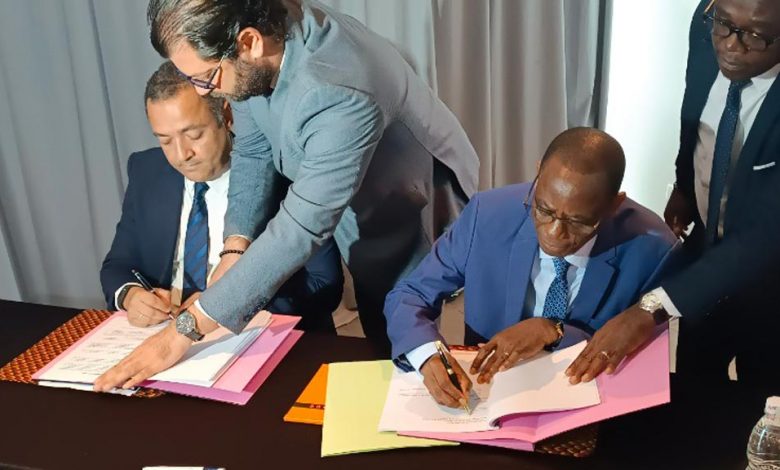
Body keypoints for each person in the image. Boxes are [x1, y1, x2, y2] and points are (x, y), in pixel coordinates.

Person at [95, 0, 481, 392]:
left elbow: (301, 228)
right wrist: (235, 246)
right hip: (346, 191)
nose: (204, 90)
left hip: (409, 198)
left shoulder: (339, 88)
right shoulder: (255, 34)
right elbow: (252, 147)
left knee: (405, 333)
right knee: (379, 327)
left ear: (249, 42)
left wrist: (182, 332)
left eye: (207, 78)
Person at [566, 0, 780, 390]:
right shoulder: (707, 24)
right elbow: (696, 113)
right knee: (694, 387)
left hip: (772, 280)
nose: (732, 45)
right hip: (706, 252)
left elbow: (764, 234)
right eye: (726, 24)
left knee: (761, 402)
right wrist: (684, 185)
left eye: (756, 35)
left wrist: (653, 307)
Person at [384, 128, 678, 409]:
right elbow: (410, 295)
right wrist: (427, 356)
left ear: (615, 204)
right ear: (538, 174)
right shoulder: (487, 215)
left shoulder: (654, 250)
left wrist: (555, 331)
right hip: (488, 396)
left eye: (578, 221)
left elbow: (643, 360)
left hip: (592, 405)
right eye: (543, 209)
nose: (554, 232)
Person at [100, 61, 343, 333]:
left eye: (193, 135)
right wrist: (131, 296)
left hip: (263, 338)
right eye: (165, 140)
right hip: (168, 335)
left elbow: (325, 283)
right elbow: (118, 265)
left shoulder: (282, 173)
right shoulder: (147, 170)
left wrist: (224, 307)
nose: (181, 155)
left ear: (226, 116)